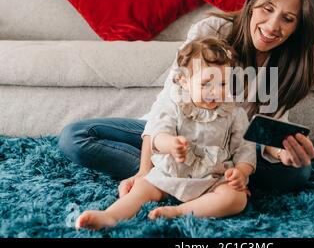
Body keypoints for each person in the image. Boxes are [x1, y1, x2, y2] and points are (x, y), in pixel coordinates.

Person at [59, 0, 314, 197]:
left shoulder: (289, 62)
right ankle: (189, 180)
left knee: (298, 173)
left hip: (227, 149)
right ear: (252, 5)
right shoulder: (213, 31)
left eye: (288, 18)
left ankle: (199, 179)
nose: (273, 26)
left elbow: (261, 131)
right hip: (176, 137)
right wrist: (145, 170)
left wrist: (281, 152)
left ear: (298, 27)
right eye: (268, 9)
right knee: (75, 136)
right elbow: (168, 101)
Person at [76, 38, 256, 230]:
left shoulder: (234, 113)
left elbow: (244, 148)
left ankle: (180, 211)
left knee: (236, 199)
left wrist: (241, 172)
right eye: (206, 84)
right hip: (171, 172)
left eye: (222, 83)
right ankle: (110, 216)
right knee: (142, 188)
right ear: (184, 82)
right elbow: (158, 133)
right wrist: (170, 144)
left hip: (211, 178)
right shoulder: (174, 105)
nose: (215, 91)